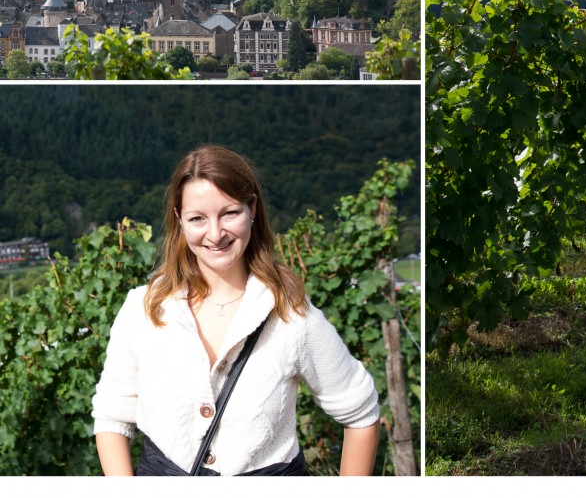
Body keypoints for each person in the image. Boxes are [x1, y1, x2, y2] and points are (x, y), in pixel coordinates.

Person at [92, 144, 381, 476]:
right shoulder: (144, 310)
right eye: (198, 218)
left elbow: (360, 412)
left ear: (252, 208)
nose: (215, 234)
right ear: (179, 221)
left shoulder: (293, 317)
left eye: (229, 213)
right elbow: (112, 417)